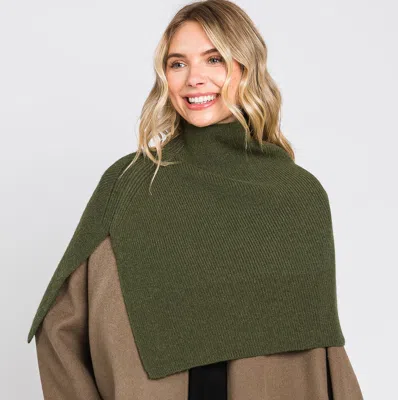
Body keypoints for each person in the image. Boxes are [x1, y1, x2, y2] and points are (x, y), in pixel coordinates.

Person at [27, 0, 364, 399]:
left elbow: (320, 351)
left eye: (214, 59)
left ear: (246, 67)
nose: (194, 79)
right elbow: (61, 326)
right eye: (178, 64)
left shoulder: (298, 195)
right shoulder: (132, 184)